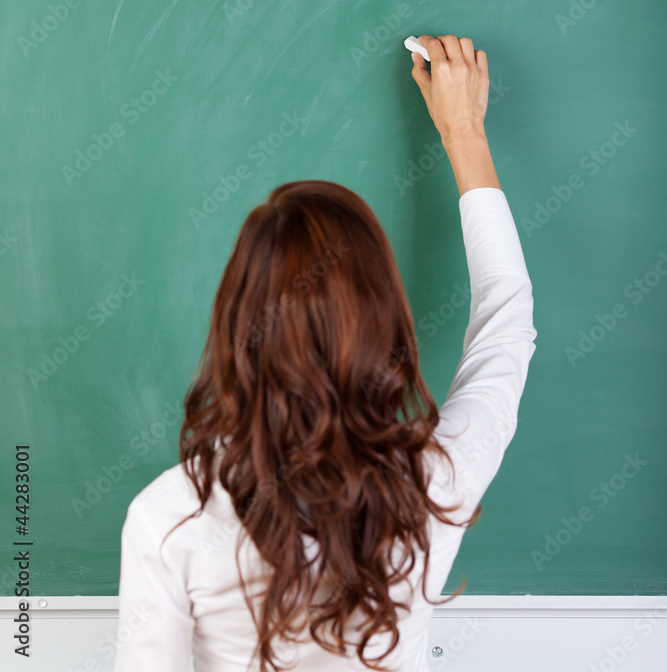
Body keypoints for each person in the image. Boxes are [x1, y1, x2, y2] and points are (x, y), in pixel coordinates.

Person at [114, 34, 537, 672]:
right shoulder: (433, 482)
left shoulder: (169, 517)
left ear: (235, 326)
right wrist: (463, 133)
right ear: (386, 321)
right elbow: (507, 316)